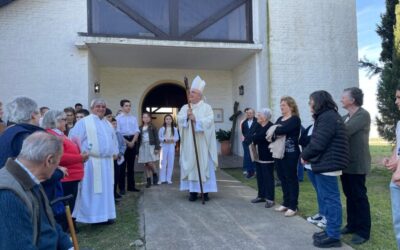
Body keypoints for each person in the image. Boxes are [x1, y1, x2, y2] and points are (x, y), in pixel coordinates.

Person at [0, 132, 73, 250]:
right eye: (58, 163)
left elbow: (50, 223)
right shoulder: (8, 193)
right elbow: (18, 246)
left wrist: (69, 247)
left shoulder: (31, 179)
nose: (58, 168)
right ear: (49, 160)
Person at [301, 90, 349, 248]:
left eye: (311, 101)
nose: (309, 104)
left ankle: (334, 235)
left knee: (331, 199)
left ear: (319, 101)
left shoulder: (327, 116)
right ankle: (330, 230)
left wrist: (304, 155)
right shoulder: (327, 116)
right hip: (325, 163)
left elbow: (318, 142)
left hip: (328, 164)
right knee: (327, 198)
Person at [68, 99, 118, 224]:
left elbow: (113, 139)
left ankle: (105, 215)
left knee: (106, 190)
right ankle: (93, 217)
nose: (101, 108)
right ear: (92, 108)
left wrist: (115, 152)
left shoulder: (107, 123)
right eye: (98, 106)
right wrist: (80, 156)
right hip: (91, 162)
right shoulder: (84, 122)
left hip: (106, 162)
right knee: (93, 190)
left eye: (103, 106)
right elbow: (74, 140)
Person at [42, 110, 89, 231]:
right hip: (66, 176)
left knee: (71, 204)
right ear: (55, 121)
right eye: (63, 119)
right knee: (65, 205)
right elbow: (60, 157)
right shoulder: (52, 135)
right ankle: (66, 228)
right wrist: (80, 157)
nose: (66, 122)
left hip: (73, 174)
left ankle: (70, 225)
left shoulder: (60, 134)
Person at [178, 75, 218, 201]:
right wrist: (185, 118)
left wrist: (196, 120)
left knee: (203, 165)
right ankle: (192, 192)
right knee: (191, 165)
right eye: (190, 92)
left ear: (200, 95)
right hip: (190, 143)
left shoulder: (206, 108)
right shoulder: (185, 108)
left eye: (193, 93)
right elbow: (179, 120)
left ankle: (205, 191)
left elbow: (210, 121)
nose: (190, 94)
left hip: (202, 143)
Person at [340, 87, 371, 244]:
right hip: (345, 163)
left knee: (359, 197)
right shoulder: (345, 116)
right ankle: (352, 225)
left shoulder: (362, 115)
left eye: (343, 97)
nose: (341, 99)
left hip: (358, 164)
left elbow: (345, 131)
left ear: (352, 100)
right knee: (349, 196)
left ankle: (363, 231)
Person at [273, 96, 301, 217]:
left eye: (284, 105)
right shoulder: (280, 118)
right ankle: (286, 202)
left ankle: (293, 206)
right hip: (279, 152)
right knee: (282, 177)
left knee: (291, 178)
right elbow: (272, 132)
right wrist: (276, 130)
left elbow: (280, 130)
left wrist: (276, 130)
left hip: (291, 152)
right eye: (281, 105)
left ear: (291, 106)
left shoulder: (295, 119)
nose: (281, 107)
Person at [0, 96, 43, 167]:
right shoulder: (25, 136)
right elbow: (36, 168)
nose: (40, 117)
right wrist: (60, 172)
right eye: (39, 113)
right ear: (33, 115)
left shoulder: (10, 131)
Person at [383, 85, 400, 249]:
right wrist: (392, 160)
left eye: (399, 98)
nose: (396, 101)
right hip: (396, 181)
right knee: (398, 224)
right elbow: (398, 147)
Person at [300, 123, 327, 229]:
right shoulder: (311, 126)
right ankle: (321, 213)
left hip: (318, 163)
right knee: (318, 191)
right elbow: (303, 141)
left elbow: (316, 144)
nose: (312, 110)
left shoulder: (323, 126)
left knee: (324, 192)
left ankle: (327, 216)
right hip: (309, 164)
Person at [250, 108, 275, 208]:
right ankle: (261, 196)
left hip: (267, 156)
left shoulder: (271, 126)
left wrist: (256, 137)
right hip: (258, 155)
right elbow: (252, 136)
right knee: (260, 177)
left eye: (259, 115)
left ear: (265, 117)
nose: (257, 117)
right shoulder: (258, 125)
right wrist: (256, 137)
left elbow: (265, 138)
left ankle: (270, 199)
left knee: (268, 178)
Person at [116, 99, 140, 193]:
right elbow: (118, 132)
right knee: (122, 166)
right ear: (122, 107)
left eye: (129, 105)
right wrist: (127, 142)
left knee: (131, 166)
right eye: (126, 105)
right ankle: (121, 188)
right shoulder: (118, 118)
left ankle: (131, 186)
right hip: (123, 141)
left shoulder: (133, 118)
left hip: (132, 140)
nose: (128, 107)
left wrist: (133, 142)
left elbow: (137, 131)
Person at [138, 112, 160, 188]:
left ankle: (155, 174)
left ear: (150, 118)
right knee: (146, 164)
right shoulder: (140, 128)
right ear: (142, 119)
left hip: (151, 146)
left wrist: (157, 148)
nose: (145, 118)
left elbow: (157, 138)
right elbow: (138, 139)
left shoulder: (153, 127)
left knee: (150, 162)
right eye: (144, 117)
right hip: (143, 146)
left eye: (147, 117)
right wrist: (137, 151)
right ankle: (148, 180)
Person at [158, 114, 179, 184]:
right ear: (164, 120)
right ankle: (162, 179)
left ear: (172, 120)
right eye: (167, 119)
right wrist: (164, 139)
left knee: (171, 162)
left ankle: (168, 179)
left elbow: (177, 137)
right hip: (164, 146)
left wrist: (172, 139)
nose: (168, 120)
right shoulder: (162, 129)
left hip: (171, 146)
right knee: (163, 162)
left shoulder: (175, 129)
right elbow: (159, 137)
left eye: (169, 119)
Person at [111, 117, 127, 201]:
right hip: (110, 158)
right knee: (111, 178)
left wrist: (120, 153)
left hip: (117, 158)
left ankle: (114, 192)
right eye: (113, 123)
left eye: (115, 123)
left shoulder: (118, 134)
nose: (115, 125)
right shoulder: (107, 133)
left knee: (116, 176)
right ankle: (111, 194)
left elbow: (123, 145)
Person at [241, 108, 258, 178]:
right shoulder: (244, 122)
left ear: (253, 114)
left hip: (254, 142)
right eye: (248, 113)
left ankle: (255, 170)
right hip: (246, 142)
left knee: (253, 157)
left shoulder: (257, 121)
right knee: (247, 156)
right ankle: (249, 171)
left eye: (250, 113)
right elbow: (243, 131)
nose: (249, 114)